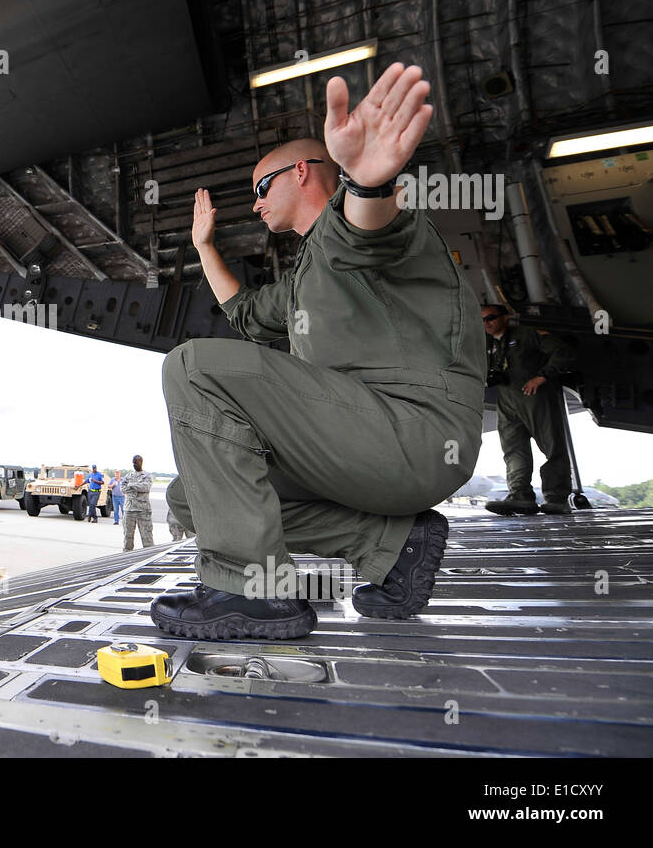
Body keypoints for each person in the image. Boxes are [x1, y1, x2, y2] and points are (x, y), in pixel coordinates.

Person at [151, 62, 484, 641]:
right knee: (191, 498)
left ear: (302, 171)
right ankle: (389, 545)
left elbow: (365, 229)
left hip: (415, 433)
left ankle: (249, 594)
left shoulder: (359, 229)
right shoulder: (308, 273)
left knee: (193, 366)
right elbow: (246, 314)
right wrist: (205, 247)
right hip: (368, 440)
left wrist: (366, 181)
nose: (255, 205)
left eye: (261, 188)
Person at [482, 304, 576, 515]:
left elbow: (563, 352)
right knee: (513, 449)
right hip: (507, 400)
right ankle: (520, 495)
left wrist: (542, 376)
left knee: (551, 446)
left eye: (491, 318)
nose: (486, 323)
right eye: (483, 320)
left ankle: (557, 498)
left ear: (505, 318)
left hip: (535, 396)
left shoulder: (527, 335)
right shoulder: (487, 343)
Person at [121, 456, 154, 550]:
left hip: (143, 510)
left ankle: (149, 555)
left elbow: (145, 487)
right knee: (128, 536)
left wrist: (131, 485)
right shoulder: (129, 476)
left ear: (141, 462)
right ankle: (127, 556)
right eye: (133, 463)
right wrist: (137, 488)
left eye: (136, 462)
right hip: (129, 509)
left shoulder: (147, 475)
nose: (134, 465)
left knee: (147, 536)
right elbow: (123, 488)